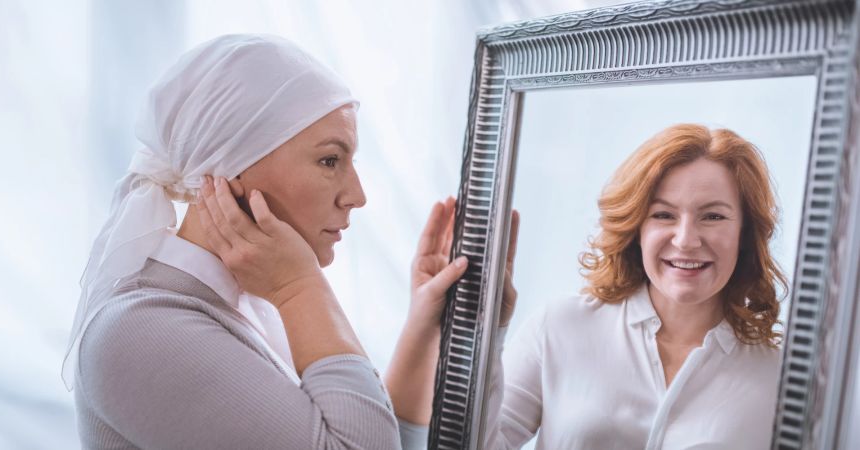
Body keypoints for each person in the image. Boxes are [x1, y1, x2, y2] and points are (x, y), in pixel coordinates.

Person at [63, 34, 446, 449]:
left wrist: (424, 328)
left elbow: (372, 434)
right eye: (330, 160)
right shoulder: (142, 330)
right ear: (232, 167)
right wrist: (299, 287)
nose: (357, 195)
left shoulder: (245, 303)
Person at [387, 124, 787, 449]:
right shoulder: (561, 326)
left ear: (745, 233)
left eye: (713, 217)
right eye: (663, 215)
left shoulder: (778, 374)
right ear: (636, 228)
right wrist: (481, 329)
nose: (685, 239)